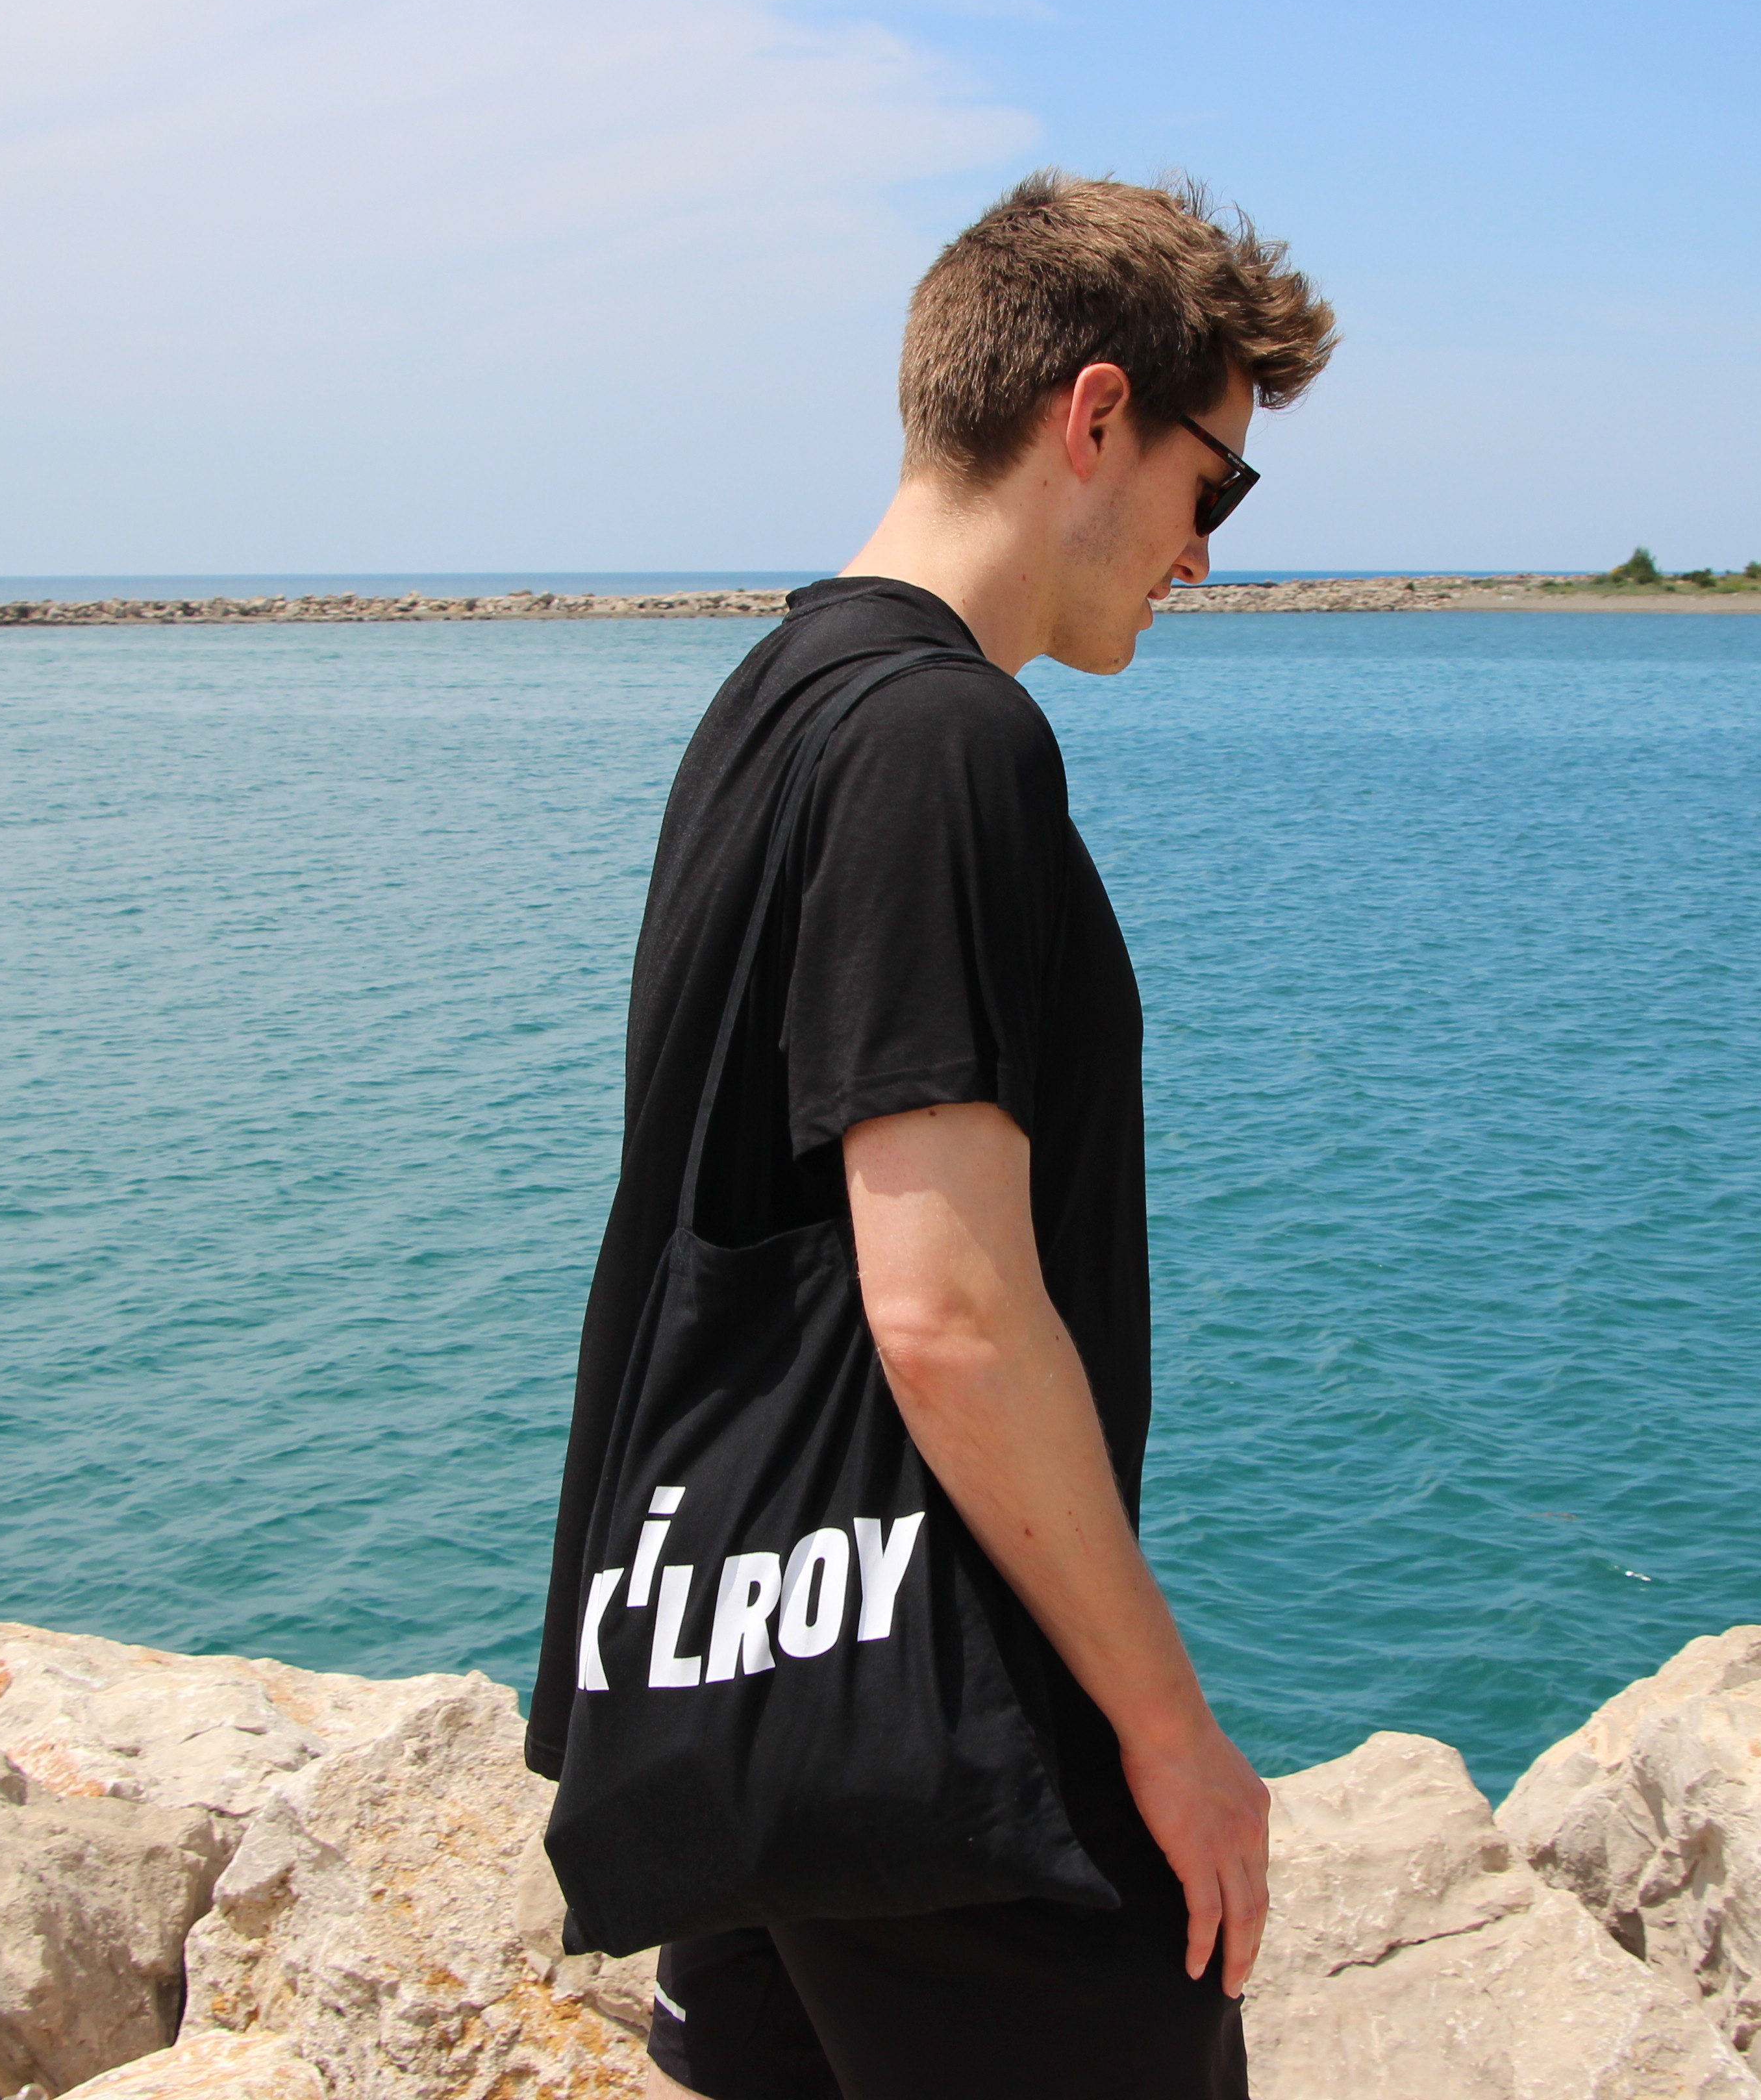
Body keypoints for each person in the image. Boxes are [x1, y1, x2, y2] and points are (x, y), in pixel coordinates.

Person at [523, 171, 1336, 2100]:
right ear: (1094, 417)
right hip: (934, 1720)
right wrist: (1167, 1731)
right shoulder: (946, 744)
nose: (1204, 556)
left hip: (749, 1683)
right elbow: (946, 1304)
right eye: (1215, 485)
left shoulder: (774, 704)